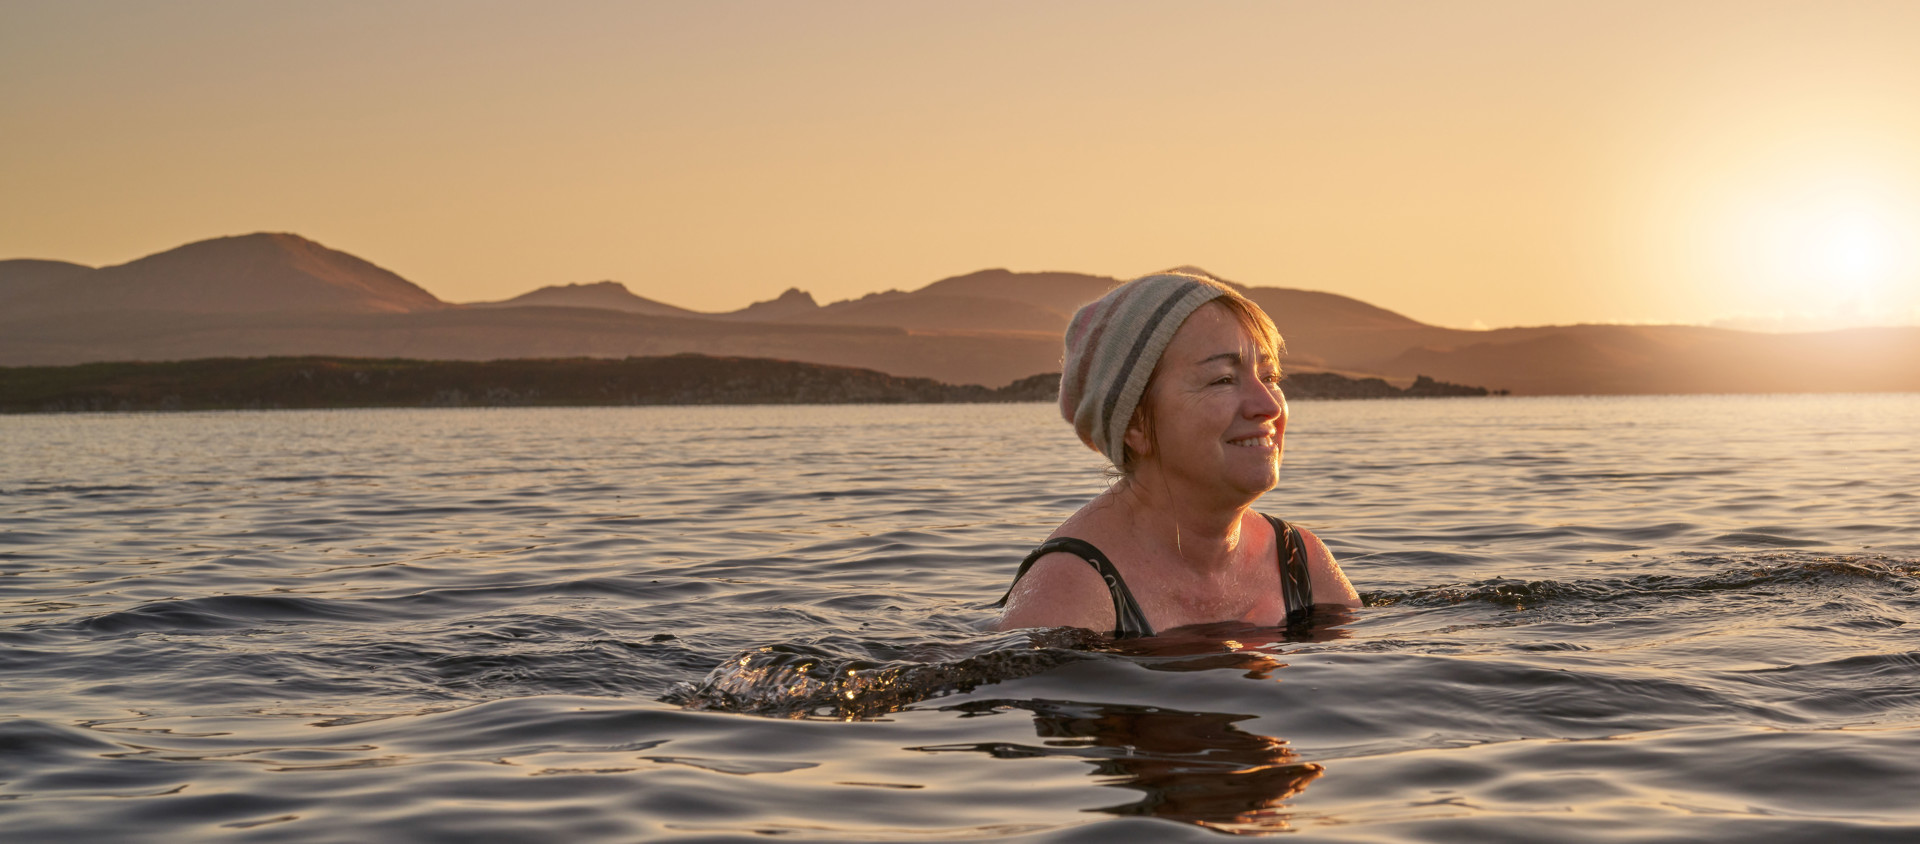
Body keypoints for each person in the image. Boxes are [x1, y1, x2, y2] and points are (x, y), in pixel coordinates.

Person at [996, 269, 1359, 637]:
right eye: (1222, 380)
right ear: (1135, 423)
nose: (1268, 406)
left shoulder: (1299, 561)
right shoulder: (1071, 592)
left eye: (1269, 377)